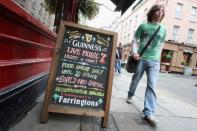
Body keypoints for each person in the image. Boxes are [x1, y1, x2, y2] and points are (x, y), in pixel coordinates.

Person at [126, 4, 166, 126]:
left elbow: (161, 44)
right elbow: (134, 39)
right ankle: (130, 94)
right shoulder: (144, 26)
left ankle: (149, 113)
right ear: (153, 12)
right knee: (136, 78)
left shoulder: (163, 29)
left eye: (162, 11)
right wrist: (134, 52)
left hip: (154, 61)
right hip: (141, 58)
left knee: (152, 85)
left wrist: (158, 55)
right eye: (158, 10)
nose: (160, 12)